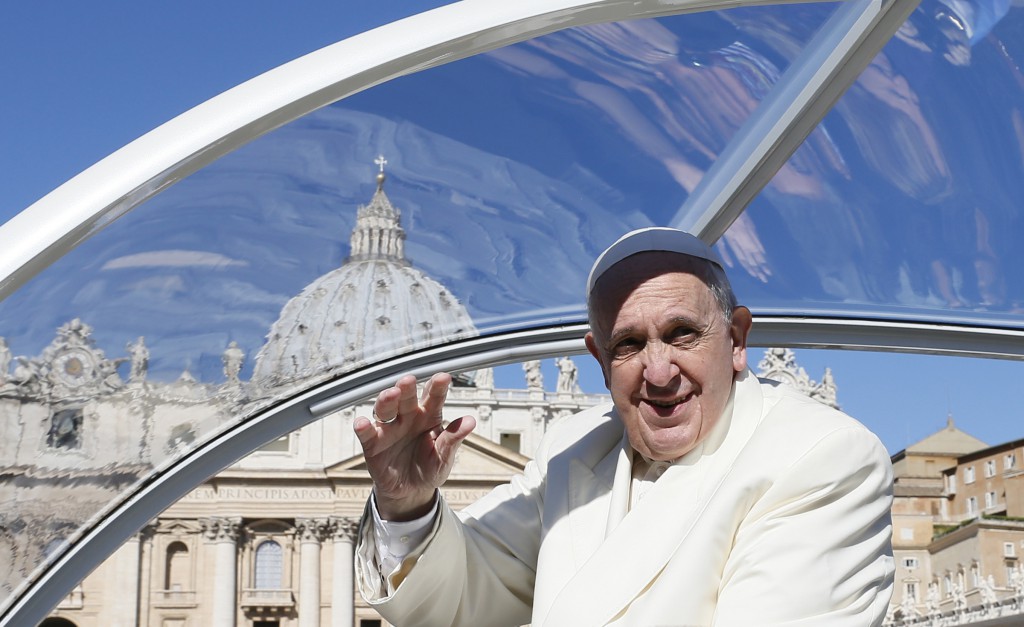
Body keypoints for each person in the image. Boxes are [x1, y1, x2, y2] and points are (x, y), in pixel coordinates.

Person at [353, 227, 894, 626]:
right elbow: (459, 600)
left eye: (683, 334)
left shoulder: (824, 456)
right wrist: (408, 504)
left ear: (736, 340)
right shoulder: (569, 447)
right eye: (629, 344)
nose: (658, 373)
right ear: (598, 358)